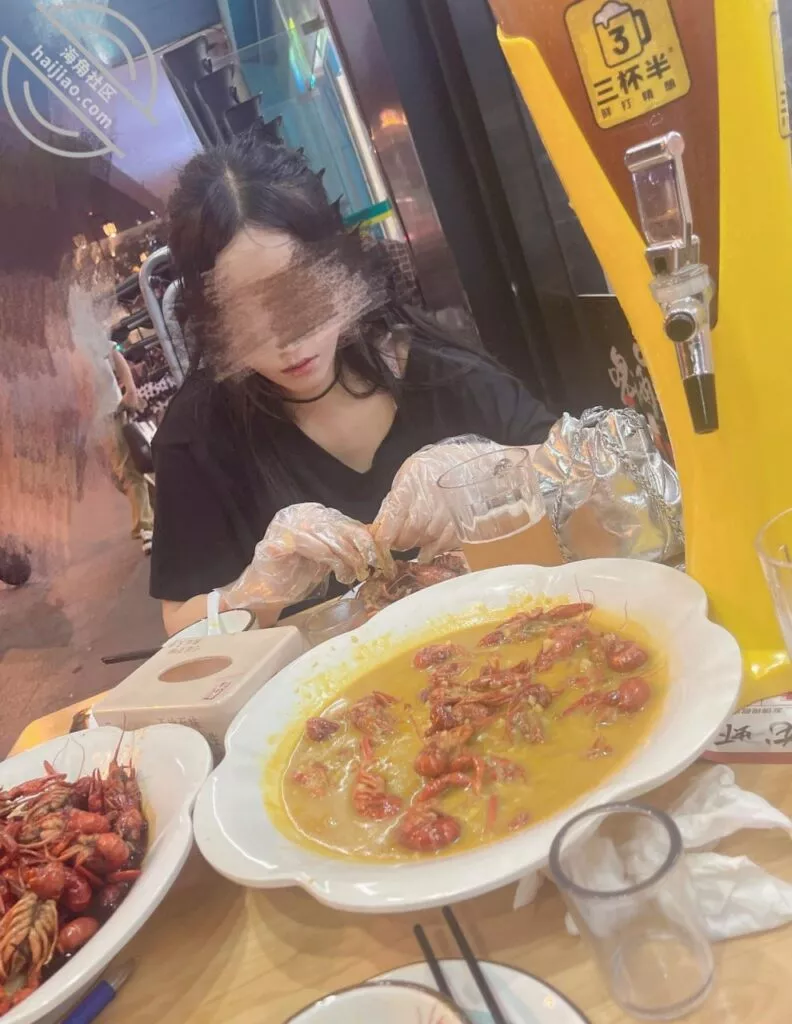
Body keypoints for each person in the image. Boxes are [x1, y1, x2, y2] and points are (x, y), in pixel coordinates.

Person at [150, 138, 556, 635]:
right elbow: (179, 625)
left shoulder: (438, 371)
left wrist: (488, 476)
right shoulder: (195, 438)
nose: (287, 339)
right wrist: (255, 592)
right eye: (242, 314)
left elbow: (578, 466)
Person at [107, 329, 155, 554]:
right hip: (89, 422)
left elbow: (116, 355)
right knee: (118, 475)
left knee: (128, 470)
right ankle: (163, 505)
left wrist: (131, 391)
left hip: (111, 412)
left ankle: (146, 527)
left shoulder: (84, 337)